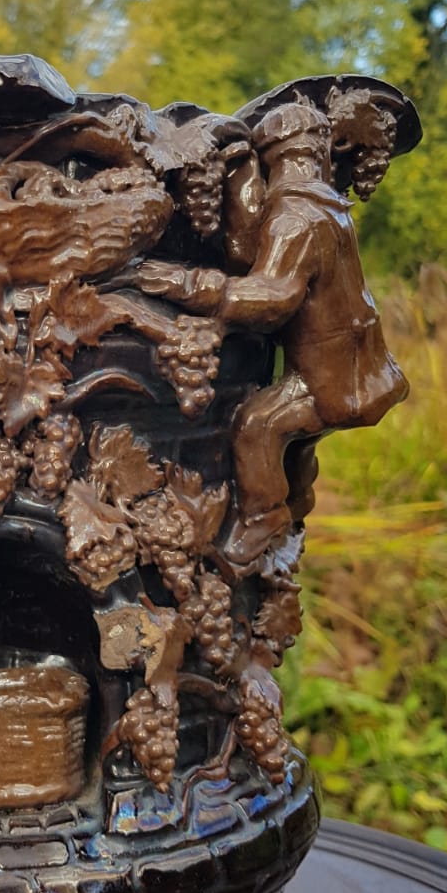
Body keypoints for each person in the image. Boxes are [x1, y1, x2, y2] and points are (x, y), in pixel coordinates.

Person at [132, 99, 408, 567]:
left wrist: (189, 283)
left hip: (332, 380)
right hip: (363, 369)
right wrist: (240, 173)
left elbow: (272, 297)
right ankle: (296, 498)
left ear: (275, 159)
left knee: (257, 425)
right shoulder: (328, 208)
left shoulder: (296, 219)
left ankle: (263, 517)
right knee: (297, 439)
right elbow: (253, 253)